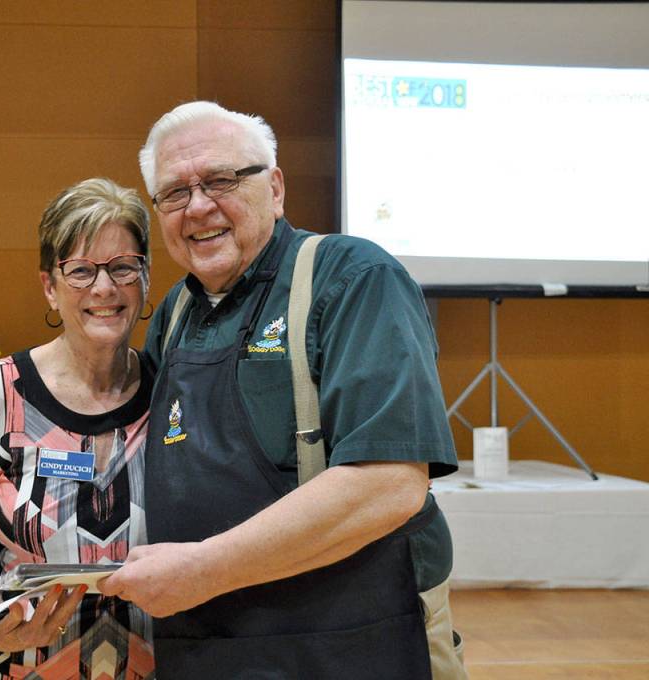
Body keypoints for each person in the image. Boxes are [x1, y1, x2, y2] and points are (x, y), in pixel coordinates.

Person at [99, 101, 468, 679]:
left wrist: (202, 570)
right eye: (174, 193)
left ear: (274, 188)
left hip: (349, 642)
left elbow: (389, 485)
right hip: (207, 642)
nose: (198, 206)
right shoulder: (174, 313)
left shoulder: (351, 278)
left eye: (220, 180)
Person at [0, 178, 156, 680]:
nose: (104, 287)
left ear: (145, 278)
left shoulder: (172, 393)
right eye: (81, 271)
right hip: (21, 665)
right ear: (49, 286)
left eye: (122, 268)